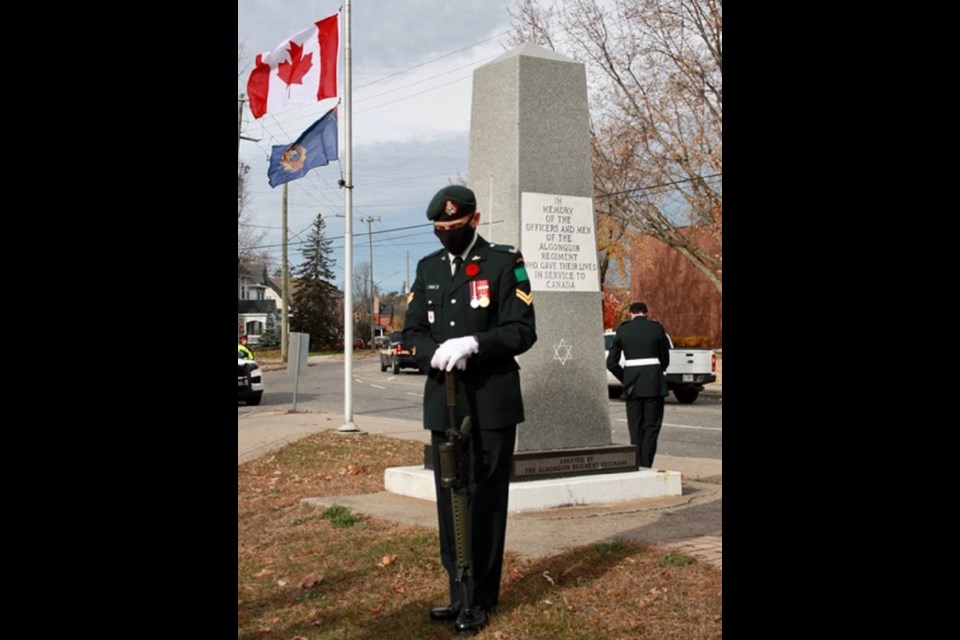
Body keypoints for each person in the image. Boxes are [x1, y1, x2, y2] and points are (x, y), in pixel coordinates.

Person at [403, 185, 537, 634]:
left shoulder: (505, 264)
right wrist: (434, 352)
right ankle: (457, 591)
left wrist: (474, 343)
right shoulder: (429, 269)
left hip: (492, 401)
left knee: (486, 498)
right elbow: (413, 330)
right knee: (450, 497)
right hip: (446, 400)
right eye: (440, 229)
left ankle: (482, 595)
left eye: (454, 228)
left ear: (473, 221)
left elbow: (522, 331)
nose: (446, 235)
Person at [606, 302, 671, 468]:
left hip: (632, 386)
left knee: (635, 428)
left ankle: (637, 465)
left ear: (630, 314)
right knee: (651, 428)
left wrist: (626, 379)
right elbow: (665, 358)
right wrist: (657, 371)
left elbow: (611, 363)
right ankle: (647, 464)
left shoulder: (623, 330)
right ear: (646, 313)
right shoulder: (657, 328)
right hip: (654, 385)